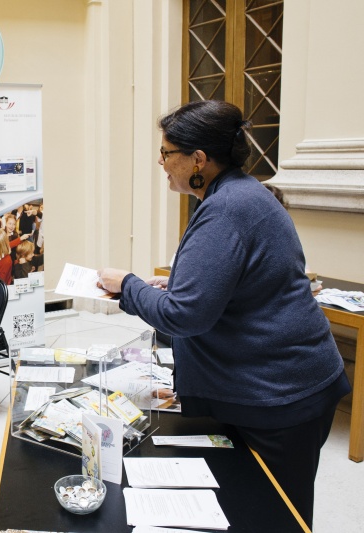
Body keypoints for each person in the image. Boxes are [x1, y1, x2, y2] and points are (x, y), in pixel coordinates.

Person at [97, 100, 350, 529]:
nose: (161, 163)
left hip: (282, 394)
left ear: (198, 158)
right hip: (284, 384)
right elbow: (227, 285)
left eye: (166, 153)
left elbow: (184, 316)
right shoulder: (240, 194)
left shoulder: (227, 209)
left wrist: (129, 286)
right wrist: (176, 283)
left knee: (275, 516)